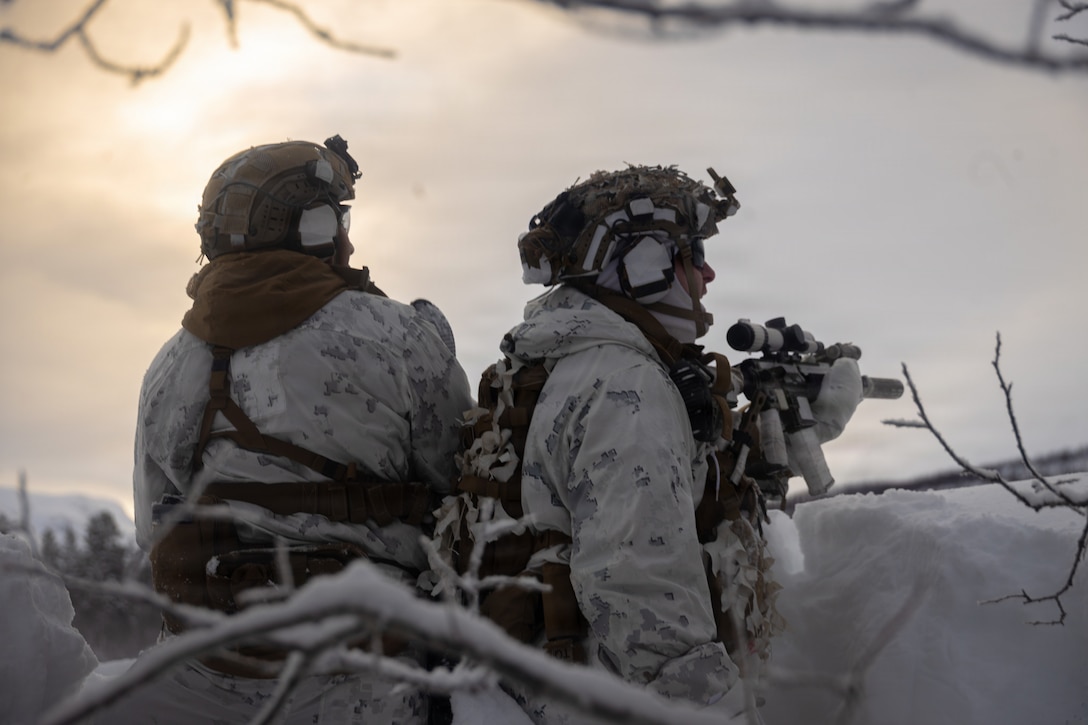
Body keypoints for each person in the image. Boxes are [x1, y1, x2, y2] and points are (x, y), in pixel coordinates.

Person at [439, 165, 863, 723]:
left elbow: (670, 503)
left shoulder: (563, 363)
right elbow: (639, 582)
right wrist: (713, 713)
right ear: (644, 270)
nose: (707, 273)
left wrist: (792, 432)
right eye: (691, 254)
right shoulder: (626, 383)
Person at [111, 136, 472, 724]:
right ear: (315, 228)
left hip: (199, 675)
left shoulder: (169, 366)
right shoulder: (397, 336)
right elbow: (462, 485)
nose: (349, 237)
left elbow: (153, 526)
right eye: (340, 217)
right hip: (359, 678)